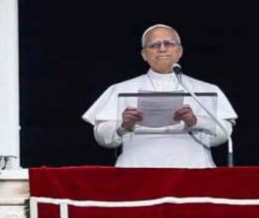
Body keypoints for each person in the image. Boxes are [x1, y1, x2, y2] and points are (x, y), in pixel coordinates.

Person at [82, 24, 238, 168]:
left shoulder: (206, 89)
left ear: (180, 51)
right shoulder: (120, 89)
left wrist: (195, 121)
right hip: (137, 169)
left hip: (193, 169)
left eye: (169, 44)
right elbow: (102, 138)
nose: (162, 49)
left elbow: (224, 135)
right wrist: (124, 126)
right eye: (154, 45)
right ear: (144, 54)